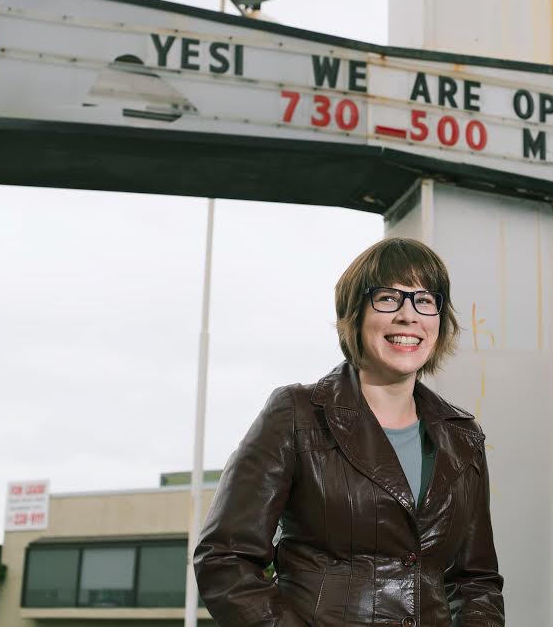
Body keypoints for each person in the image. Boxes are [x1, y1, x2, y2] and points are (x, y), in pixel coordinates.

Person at [194, 237, 505, 626]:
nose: (408, 315)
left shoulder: (464, 437)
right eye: (388, 298)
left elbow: (476, 582)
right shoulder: (296, 413)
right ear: (354, 316)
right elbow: (225, 558)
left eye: (424, 300)